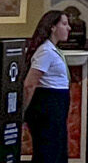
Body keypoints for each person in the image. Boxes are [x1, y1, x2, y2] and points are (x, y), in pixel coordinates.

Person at [21, 10, 73, 163]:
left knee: (57, 150)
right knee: (47, 152)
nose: (69, 28)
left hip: (57, 105)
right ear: (52, 27)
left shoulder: (53, 50)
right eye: (64, 24)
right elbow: (30, 83)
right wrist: (23, 110)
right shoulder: (45, 51)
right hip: (47, 106)